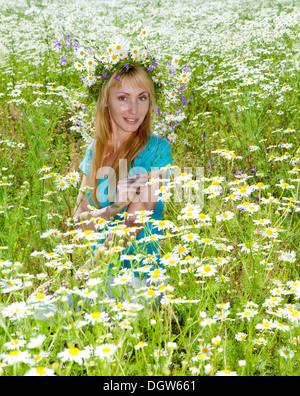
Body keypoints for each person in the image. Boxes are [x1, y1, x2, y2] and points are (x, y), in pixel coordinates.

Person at [72, 64, 173, 300]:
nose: (134, 109)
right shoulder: (94, 152)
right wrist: (113, 208)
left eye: (142, 98)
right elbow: (79, 224)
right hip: (96, 275)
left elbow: (132, 226)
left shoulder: (159, 151)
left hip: (140, 278)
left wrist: (79, 276)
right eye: (123, 98)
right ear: (107, 101)